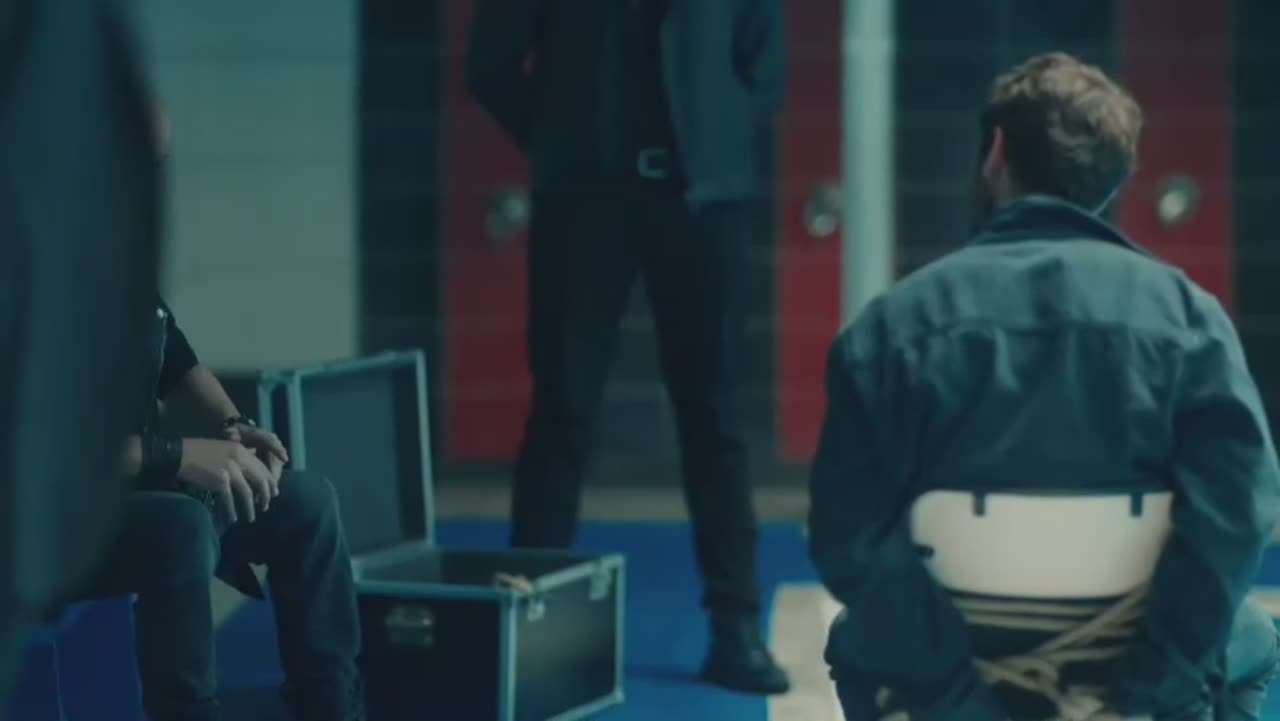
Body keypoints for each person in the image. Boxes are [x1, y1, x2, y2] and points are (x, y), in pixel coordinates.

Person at [809, 52, 1280, 721]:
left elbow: (848, 537)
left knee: (851, 640)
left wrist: (958, 702)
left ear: (997, 153)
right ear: (1113, 177)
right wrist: (1149, 689)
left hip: (956, 676)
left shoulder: (891, 328)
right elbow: (1237, 515)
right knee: (1254, 639)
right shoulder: (1191, 321)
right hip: (1133, 676)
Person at [465, 0, 790, 695]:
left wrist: (713, 131)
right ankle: (529, 625)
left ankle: (735, 629)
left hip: (704, 200)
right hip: (584, 199)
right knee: (561, 412)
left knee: (716, 418)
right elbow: (490, 64)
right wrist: (562, 142)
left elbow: (765, 64)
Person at [59, 109, 366, 721]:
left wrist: (231, 427)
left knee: (306, 503)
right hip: (45, 519)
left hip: (123, 488)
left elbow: (177, 363)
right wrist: (176, 456)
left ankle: (333, 709)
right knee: (180, 528)